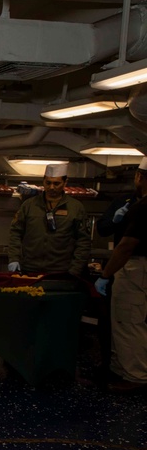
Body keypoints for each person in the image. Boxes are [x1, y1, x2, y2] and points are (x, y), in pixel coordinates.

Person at [94, 158, 146, 374]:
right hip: (132, 267)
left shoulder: (143, 207)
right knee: (124, 320)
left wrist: (105, 274)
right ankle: (120, 366)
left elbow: (126, 246)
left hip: (134, 267)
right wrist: (114, 221)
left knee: (129, 321)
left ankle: (134, 374)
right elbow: (103, 229)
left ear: (139, 177)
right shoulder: (125, 202)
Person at [7, 163, 91, 277]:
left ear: (65, 183)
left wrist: (75, 269)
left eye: (56, 183)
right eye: (48, 183)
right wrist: (14, 258)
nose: (52, 187)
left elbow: (83, 241)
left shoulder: (75, 207)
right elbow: (16, 232)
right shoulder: (29, 205)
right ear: (43, 181)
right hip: (30, 268)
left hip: (61, 270)